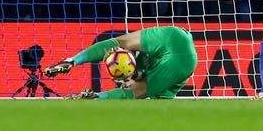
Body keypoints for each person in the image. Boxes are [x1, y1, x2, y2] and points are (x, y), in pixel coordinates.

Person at [43, 26, 198, 99]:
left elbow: (134, 92)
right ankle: (70, 62)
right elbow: (114, 44)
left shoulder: (143, 76)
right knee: (158, 98)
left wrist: (96, 96)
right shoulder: (160, 86)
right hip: (176, 37)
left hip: (178, 51)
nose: (123, 84)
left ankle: (94, 95)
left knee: (138, 92)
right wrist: (72, 61)